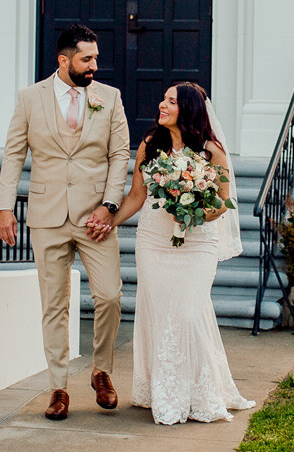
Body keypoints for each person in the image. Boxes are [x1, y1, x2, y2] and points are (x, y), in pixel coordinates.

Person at [0, 24, 130, 421]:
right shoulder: (29, 98)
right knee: (54, 305)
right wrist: (5, 208)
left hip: (95, 218)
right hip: (47, 215)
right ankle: (58, 387)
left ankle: (101, 371)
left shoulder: (110, 98)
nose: (94, 65)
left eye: (95, 58)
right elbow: (12, 155)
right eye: (87, 58)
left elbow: (120, 154)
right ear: (64, 60)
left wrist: (109, 205)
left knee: (109, 296)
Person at [106, 82, 255, 425]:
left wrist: (193, 211)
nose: (162, 104)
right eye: (163, 98)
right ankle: (165, 393)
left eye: (171, 101)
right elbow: (136, 196)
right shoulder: (150, 145)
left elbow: (224, 202)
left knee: (188, 312)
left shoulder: (210, 152)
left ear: (186, 109)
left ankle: (200, 394)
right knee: (160, 314)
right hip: (154, 241)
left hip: (197, 242)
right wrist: (109, 220)